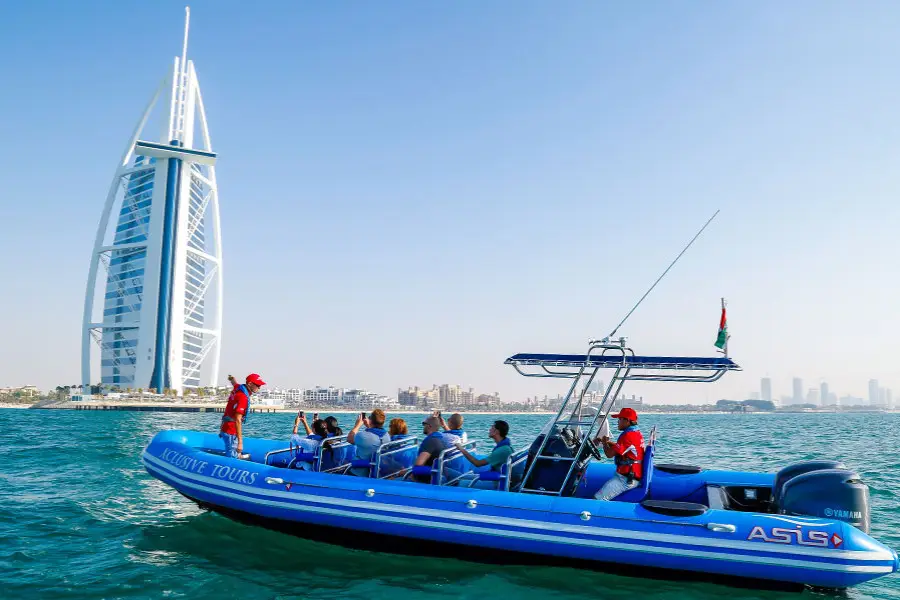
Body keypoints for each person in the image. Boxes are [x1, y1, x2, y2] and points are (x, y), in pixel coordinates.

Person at [593, 408, 644, 501]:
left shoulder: (628, 436)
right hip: (628, 476)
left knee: (597, 498)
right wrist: (606, 441)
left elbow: (609, 454)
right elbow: (620, 447)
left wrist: (604, 443)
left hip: (625, 480)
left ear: (627, 420)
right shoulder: (635, 433)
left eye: (620, 419)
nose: (618, 422)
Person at [454, 420, 514, 488]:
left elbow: (477, 463)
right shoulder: (505, 446)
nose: (489, 429)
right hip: (498, 476)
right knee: (462, 477)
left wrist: (462, 449)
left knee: (461, 483)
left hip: (497, 482)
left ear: (496, 431)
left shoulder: (502, 450)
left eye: (492, 428)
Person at [219, 373, 265, 459]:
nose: (259, 388)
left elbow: (234, 382)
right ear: (250, 384)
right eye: (258, 385)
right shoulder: (243, 397)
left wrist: (231, 378)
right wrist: (240, 442)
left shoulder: (239, 388)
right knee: (232, 457)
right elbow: (238, 420)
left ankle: (239, 456)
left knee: (233, 452)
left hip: (225, 427)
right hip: (231, 430)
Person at [347, 409, 391, 475]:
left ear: (371, 420)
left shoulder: (363, 436)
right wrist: (369, 426)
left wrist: (358, 425)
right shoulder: (387, 436)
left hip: (359, 471)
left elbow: (350, 439)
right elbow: (375, 435)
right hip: (378, 471)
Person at [412, 416, 450, 482]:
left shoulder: (430, 441)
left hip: (428, 478)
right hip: (439, 474)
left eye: (424, 424)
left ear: (429, 426)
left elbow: (418, 465)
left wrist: (408, 472)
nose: (423, 426)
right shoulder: (443, 439)